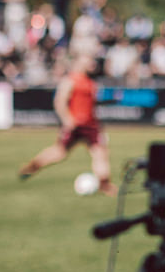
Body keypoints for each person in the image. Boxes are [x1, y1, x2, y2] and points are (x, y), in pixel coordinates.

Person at [17, 54, 117, 195]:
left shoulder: (91, 81)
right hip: (75, 124)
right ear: (79, 63)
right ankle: (34, 165)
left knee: (100, 153)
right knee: (60, 153)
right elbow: (60, 101)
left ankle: (104, 184)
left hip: (91, 125)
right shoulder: (70, 80)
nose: (92, 64)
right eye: (89, 61)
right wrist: (67, 119)